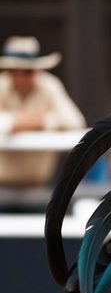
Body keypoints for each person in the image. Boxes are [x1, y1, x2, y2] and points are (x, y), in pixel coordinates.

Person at [0, 36, 86, 211]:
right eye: (27, 71)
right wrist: (11, 123)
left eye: (35, 70)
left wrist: (43, 121)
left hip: (40, 187)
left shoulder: (49, 85)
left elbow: (75, 121)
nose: (34, 75)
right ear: (13, 72)